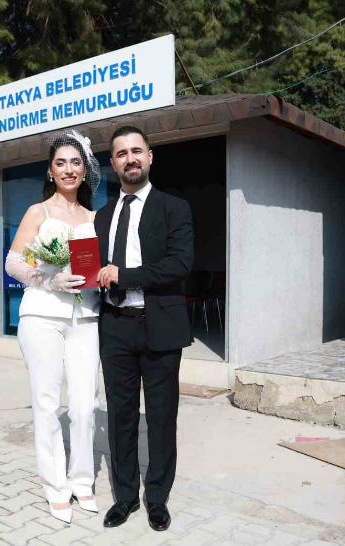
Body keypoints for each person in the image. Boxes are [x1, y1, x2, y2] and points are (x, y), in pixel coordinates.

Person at [95, 126, 194, 531]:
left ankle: (157, 497)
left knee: (161, 416)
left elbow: (179, 264)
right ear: (113, 163)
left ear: (150, 157)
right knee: (120, 416)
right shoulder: (102, 216)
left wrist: (125, 276)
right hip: (114, 326)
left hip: (160, 325)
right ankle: (124, 497)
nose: (130, 158)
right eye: (121, 153)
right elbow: (94, 270)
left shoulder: (174, 208)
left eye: (137, 151)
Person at [4, 131, 102, 524]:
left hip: (86, 318)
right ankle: (55, 486)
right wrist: (48, 280)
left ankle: (81, 480)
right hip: (42, 314)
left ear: (85, 170)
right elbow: (13, 262)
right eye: (60, 162)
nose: (68, 169)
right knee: (47, 404)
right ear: (50, 170)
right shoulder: (37, 213)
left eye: (75, 162)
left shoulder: (95, 217)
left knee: (84, 405)